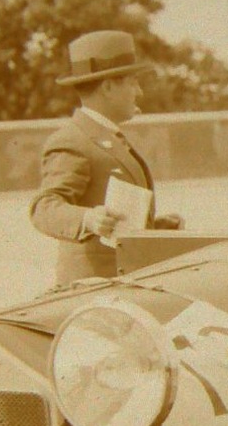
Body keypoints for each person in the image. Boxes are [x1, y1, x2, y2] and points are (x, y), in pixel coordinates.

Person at [30, 30, 182, 285]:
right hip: (91, 291)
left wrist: (151, 227)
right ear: (109, 87)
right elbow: (43, 208)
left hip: (119, 286)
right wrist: (88, 219)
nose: (139, 92)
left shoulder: (106, 137)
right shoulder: (73, 140)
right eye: (133, 82)